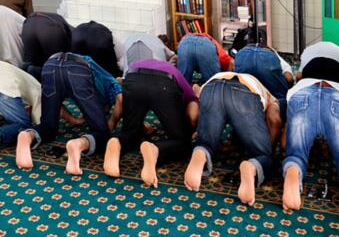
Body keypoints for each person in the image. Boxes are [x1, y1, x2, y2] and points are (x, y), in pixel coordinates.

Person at [281, 41, 339, 227]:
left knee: (295, 154)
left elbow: (297, 76)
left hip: (303, 91)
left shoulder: (308, 54)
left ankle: (293, 171)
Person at [184, 71, 282, 206]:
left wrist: (201, 129)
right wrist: (269, 149)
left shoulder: (229, 74)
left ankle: (200, 152)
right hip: (244, 94)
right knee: (263, 155)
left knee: (205, 143)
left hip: (211, 87)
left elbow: (197, 93)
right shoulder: (271, 97)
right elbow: (274, 120)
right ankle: (252, 166)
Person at [104, 58, 200, 186]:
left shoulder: (144, 62)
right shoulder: (181, 79)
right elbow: (193, 113)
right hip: (163, 83)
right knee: (182, 142)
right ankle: (155, 150)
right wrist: (191, 129)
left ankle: (117, 142)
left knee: (131, 131)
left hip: (132, 77)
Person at [37, 53, 123, 176]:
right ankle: (78, 144)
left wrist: (74, 120)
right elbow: (121, 99)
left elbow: (56, 104)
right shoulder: (112, 82)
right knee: (102, 133)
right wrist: (112, 122)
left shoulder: (91, 84)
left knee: (47, 126)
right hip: (77, 69)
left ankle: (26, 136)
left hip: (50, 64)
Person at [234, 43, 293, 119]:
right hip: (266, 57)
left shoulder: (242, 52)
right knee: (278, 99)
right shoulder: (276, 56)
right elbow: (289, 78)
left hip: (243, 54)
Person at [21, 12, 72, 80]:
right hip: (49, 27)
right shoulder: (70, 33)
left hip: (28, 25)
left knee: (32, 63)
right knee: (56, 64)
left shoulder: (62, 23)